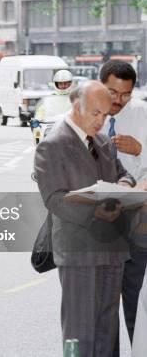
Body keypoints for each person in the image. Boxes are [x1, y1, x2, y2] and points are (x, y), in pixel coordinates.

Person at [34, 81, 136, 357]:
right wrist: (95, 212)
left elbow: (124, 174)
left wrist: (125, 187)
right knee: (79, 333)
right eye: (95, 113)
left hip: (112, 249)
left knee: (107, 332)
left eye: (105, 115)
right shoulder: (52, 145)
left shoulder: (102, 142)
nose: (101, 121)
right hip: (79, 251)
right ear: (77, 106)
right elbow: (53, 198)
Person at [99, 60, 147, 348]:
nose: (118, 101)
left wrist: (141, 150)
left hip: (136, 226)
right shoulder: (87, 115)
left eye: (125, 94)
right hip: (96, 227)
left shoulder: (143, 115)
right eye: (111, 92)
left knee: (135, 301)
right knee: (100, 310)